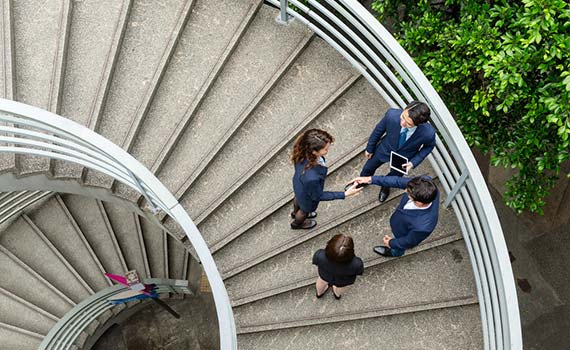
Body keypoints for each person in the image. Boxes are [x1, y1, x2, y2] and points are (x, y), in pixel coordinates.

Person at [361, 101, 435, 202]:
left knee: (394, 177)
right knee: (368, 167)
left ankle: (385, 187)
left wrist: (413, 162)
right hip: (384, 149)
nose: (402, 123)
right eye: (403, 116)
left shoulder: (428, 133)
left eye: (408, 124)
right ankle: (361, 182)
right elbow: (378, 130)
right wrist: (370, 148)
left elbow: (429, 147)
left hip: (403, 159)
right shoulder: (391, 115)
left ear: (419, 124)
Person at [353, 175, 439, 257]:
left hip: (403, 232)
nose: (405, 191)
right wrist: (370, 179)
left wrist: (391, 243)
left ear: (420, 202)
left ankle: (396, 253)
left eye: (409, 194)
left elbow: (409, 241)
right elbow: (398, 181)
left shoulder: (423, 227)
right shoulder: (425, 183)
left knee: (400, 248)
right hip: (400, 219)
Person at [291, 129, 361, 229]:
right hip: (307, 194)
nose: (327, 151)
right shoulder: (312, 177)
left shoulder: (301, 152)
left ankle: (294, 213)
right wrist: (344, 194)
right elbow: (318, 196)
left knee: (298, 198)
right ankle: (297, 224)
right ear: (314, 151)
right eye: (325, 149)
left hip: (299, 185)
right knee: (304, 211)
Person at [312, 234, 364, 299]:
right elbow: (359, 272)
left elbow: (316, 262)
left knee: (321, 282)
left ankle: (319, 293)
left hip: (325, 274)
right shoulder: (357, 264)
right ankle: (337, 295)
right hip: (343, 280)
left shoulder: (319, 255)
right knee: (340, 287)